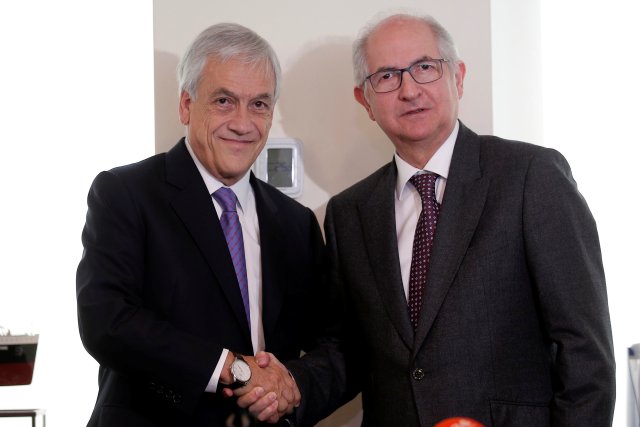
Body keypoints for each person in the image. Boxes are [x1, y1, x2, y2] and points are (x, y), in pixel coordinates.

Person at [240, 12, 616, 426]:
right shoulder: (349, 214)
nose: (409, 90)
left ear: (457, 77)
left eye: (424, 68)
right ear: (364, 101)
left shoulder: (531, 176)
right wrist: (289, 386)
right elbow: (350, 351)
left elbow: (585, 353)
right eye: (386, 76)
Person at [76, 22, 322, 426]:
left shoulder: (297, 223)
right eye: (224, 101)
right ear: (186, 105)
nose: (243, 123)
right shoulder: (125, 193)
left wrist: (290, 384)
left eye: (259, 104)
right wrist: (233, 368)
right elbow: (107, 321)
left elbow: (328, 344)